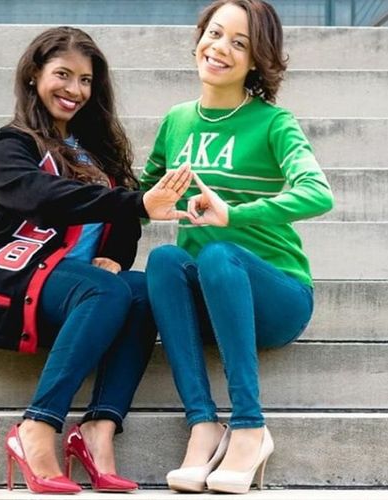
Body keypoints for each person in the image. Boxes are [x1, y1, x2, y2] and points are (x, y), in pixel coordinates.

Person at [0, 26, 191, 494]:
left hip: (78, 291)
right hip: (15, 277)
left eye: (85, 80)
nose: (75, 90)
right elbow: (43, 196)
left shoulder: (98, 149)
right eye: (63, 74)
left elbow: (122, 221)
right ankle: (37, 427)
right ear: (33, 76)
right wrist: (137, 204)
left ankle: (99, 429)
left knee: (141, 288)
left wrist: (116, 258)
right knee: (104, 290)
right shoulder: (10, 144)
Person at [141, 0, 334, 494]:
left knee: (219, 252)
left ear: (256, 60)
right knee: (164, 259)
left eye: (239, 43)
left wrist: (237, 213)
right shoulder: (176, 121)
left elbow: (318, 192)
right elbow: (142, 193)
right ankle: (203, 425)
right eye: (215, 32)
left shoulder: (273, 122)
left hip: (276, 297)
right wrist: (148, 206)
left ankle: (250, 427)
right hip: (211, 301)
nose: (220, 47)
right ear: (199, 36)